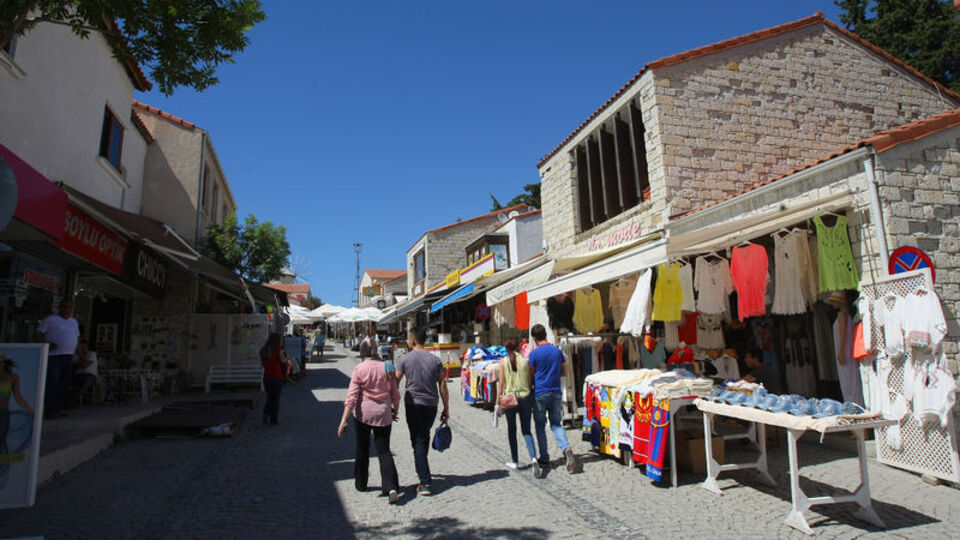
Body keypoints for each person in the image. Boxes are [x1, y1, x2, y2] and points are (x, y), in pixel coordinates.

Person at [338, 339, 401, 504]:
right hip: (383, 414)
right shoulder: (388, 366)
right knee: (384, 451)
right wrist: (395, 410)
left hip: (363, 415)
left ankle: (361, 483)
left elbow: (351, 397)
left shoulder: (359, 369)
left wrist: (343, 420)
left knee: (362, 449)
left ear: (363, 351)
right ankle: (391, 486)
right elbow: (395, 393)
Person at [395, 327, 449, 496]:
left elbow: (394, 382)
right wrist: (446, 408)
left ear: (412, 340)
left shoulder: (404, 359)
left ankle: (425, 482)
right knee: (423, 436)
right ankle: (422, 467)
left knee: (418, 440)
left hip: (413, 404)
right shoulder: (435, 360)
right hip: (431, 405)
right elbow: (443, 385)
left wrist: (392, 404)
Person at [528, 323, 580, 478]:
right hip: (556, 392)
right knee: (556, 424)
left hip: (540, 393)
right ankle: (566, 449)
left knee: (539, 426)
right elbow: (565, 372)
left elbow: (531, 374)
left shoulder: (534, 354)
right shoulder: (557, 352)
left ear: (534, 338)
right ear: (545, 335)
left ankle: (544, 458)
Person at [498, 338, 537, 470]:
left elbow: (501, 383)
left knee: (512, 430)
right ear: (520, 348)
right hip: (525, 397)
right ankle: (533, 458)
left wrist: (498, 400)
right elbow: (529, 381)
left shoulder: (503, 362)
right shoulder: (526, 362)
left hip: (510, 399)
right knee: (526, 430)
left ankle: (515, 460)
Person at [36, 299, 79, 418]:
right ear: (60, 307)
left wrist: (79, 353)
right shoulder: (51, 319)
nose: (67, 309)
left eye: (70, 307)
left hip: (68, 355)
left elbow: (77, 338)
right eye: (65, 306)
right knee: (53, 382)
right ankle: (51, 409)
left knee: (63, 382)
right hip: (54, 356)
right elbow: (38, 334)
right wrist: (47, 344)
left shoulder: (74, 322)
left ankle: (60, 407)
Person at [1, 353, 35, 456]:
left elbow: (18, 397)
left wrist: (31, 411)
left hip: (3, 413)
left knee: (1, 439)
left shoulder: (13, 377)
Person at [259, 333, 286, 425]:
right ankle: (273, 419)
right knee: (276, 399)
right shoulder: (279, 350)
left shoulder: (264, 350)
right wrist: (287, 359)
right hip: (277, 376)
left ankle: (266, 413)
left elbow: (262, 364)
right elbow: (283, 360)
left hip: (267, 377)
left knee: (270, 397)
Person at [72, 340, 98, 405]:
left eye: (84, 346)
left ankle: (73, 400)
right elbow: (73, 366)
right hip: (78, 375)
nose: (82, 348)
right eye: (81, 347)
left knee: (86, 382)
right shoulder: (75, 356)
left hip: (90, 375)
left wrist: (81, 359)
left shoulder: (92, 354)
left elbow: (84, 365)